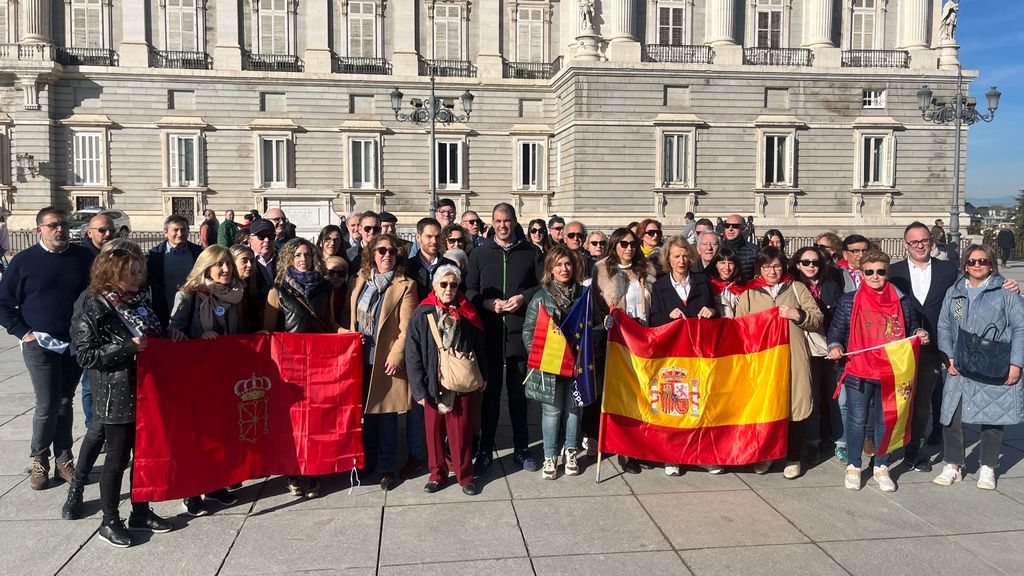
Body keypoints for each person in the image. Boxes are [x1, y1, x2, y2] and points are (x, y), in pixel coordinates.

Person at [70, 245, 173, 547]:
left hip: (146, 389)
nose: (139, 277)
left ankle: (140, 511)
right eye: (132, 272)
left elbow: (155, 334)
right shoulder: (94, 304)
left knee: (143, 455)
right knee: (117, 459)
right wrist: (128, 346)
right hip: (116, 393)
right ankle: (109, 520)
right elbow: (86, 354)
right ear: (113, 274)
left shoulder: (139, 300)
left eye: (140, 270)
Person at [0, 207, 93, 490]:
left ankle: (64, 458)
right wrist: (23, 332)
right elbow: (3, 303)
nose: (60, 230)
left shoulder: (83, 258)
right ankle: (39, 457)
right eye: (53, 225)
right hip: (39, 342)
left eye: (63, 224)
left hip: (74, 344)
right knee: (48, 402)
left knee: (65, 400)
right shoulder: (24, 261)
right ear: (39, 229)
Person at [827, 249, 926, 492]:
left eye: (880, 272)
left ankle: (881, 465)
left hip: (892, 370)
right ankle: (853, 465)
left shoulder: (902, 300)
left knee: (886, 420)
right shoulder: (849, 300)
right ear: (861, 273)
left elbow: (913, 328)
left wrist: (920, 335)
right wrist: (835, 346)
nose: (874, 276)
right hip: (860, 369)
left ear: (887, 273)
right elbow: (837, 331)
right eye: (869, 271)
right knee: (857, 420)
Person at [934, 244, 1024, 490]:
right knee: (952, 415)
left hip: (994, 362)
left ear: (991, 264)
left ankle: (988, 466)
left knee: (993, 416)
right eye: (972, 261)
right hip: (960, 363)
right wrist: (948, 356)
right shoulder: (956, 293)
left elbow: (1020, 327)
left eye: (983, 261)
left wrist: (1016, 363)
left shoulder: (1005, 292)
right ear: (965, 265)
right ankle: (953, 464)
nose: (977, 265)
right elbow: (945, 325)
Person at [465, 203, 543, 474]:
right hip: (489, 337)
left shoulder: (531, 252)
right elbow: (469, 290)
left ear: (514, 221)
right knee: (490, 396)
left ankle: (522, 448)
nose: (502, 225)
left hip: (519, 335)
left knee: (519, 396)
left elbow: (542, 286)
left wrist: (523, 297)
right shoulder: (479, 253)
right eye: (498, 221)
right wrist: (487, 304)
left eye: (507, 220)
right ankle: (486, 449)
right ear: (492, 223)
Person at [168, 245, 245, 515]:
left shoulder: (235, 294)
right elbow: (173, 332)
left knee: (221, 430)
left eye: (228, 265)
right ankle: (192, 492)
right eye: (219, 265)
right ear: (206, 267)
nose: (226, 270)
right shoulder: (188, 295)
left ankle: (215, 484)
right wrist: (197, 341)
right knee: (198, 435)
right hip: (196, 375)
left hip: (224, 374)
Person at [736, 247, 823, 479]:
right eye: (766, 267)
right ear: (759, 269)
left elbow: (816, 318)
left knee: (794, 407)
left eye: (775, 266)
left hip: (794, 357)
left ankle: (793, 457)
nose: (771, 271)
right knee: (766, 407)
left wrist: (797, 314)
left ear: (783, 266)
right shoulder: (748, 294)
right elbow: (739, 329)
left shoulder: (797, 288)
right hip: (763, 362)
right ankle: (766, 454)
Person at [264, 238, 342, 498]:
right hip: (290, 365)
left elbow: (330, 324)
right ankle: (293, 471)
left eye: (307, 254)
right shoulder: (277, 290)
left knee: (317, 419)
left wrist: (349, 336)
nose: (303, 259)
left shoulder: (324, 288)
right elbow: (270, 332)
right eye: (297, 254)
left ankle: (314, 471)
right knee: (293, 422)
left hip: (319, 363)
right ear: (289, 258)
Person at [406, 263, 486, 495]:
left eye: (453, 284)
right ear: (434, 285)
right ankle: (437, 474)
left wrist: (485, 375)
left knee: (461, 431)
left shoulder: (467, 310)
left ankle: (465, 476)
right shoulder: (423, 312)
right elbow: (413, 353)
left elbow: (480, 346)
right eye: (444, 284)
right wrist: (418, 389)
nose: (449, 289)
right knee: (433, 431)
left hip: (461, 380)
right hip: (433, 382)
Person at [888, 222, 960, 472]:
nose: (920, 245)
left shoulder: (948, 269)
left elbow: (961, 299)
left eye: (924, 240)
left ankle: (913, 451)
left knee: (921, 403)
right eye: (914, 242)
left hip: (932, 349)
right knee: (896, 401)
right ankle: (886, 447)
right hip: (899, 348)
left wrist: (1007, 285)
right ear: (905, 244)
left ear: (931, 241)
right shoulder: (892, 272)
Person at [350, 233, 418, 491]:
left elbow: (407, 326)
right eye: (381, 251)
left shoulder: (405, 285)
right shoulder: (360, 281)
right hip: (360, 357)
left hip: (386, 359)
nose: (387, 255)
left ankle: (386, 467)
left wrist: (397, 354)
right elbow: (351, 317)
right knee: (366, 413)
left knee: (388, 415)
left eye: (391, 251)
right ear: (372, 254)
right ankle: (368, 460)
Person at [649, 237, 717, 476]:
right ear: (668, 259)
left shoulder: (701, 280)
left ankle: (701, 454)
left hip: (699, 354)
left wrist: (712, 311)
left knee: (700, 404)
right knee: (675, 406)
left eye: (685, 256)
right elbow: (653, 321)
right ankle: (673, 456)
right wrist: (668, 316)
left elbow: (715, 312)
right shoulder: (659, 286)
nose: (681, 261)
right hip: (673, 356)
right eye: (676, 256)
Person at [593, 227, 656, 474]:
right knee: (620, 396)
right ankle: (624, 450)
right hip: (618, 340)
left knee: (643, 395)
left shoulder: (646, 270)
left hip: (643, 337)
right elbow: (597, 305)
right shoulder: (601, 270)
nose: (629, 248)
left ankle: (642, 445)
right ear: (615, 246)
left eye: (632, 244)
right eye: (623, 244)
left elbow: (656, 304)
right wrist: (603, 321)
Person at [522, 246, 588, 479]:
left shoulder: (584, 295)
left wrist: (590, 345)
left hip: (577, 363)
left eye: (568, 264)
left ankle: (570, 451)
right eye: (558, 264)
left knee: (573, 410)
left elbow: (595, 326)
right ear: (550, 268)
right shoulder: (541, 297)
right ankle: (550, 455)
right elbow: (529, 331)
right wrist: (541, 355)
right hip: (551, 364)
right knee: (551, 412)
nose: (564, 269)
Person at [790, 246, 843, 464]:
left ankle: (840, 441)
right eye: (806, 262)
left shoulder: (831, 286)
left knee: (836, 397)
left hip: (830, 348)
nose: (811, 266)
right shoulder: (792, 288)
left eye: (816, 262)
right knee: (810, 397)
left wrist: (836, 344)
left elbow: (840, 317)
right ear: (797, 264)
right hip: (804, 349)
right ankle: (812, 442)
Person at [146, 215, 203, 326]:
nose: (180, 234)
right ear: (166, 232)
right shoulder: (154, 257)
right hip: (164, 313)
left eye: (183, 229)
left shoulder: (199, 253)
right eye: (175, 230)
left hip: (195, 314)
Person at [705, 247, 747, 318]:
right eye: (722, 263)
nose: (727, 267)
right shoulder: (708, 286)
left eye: (730, 263)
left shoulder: (744, 287)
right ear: (716, 264)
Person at [230, 243, 261, 331]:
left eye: (252, 261)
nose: (250, 265)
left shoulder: (255, 285)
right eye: (244, 261)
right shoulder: (225, 291)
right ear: (232, 263)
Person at [247, 219, 278, 303]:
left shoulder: (283, 260)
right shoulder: (242, 260)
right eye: (261, 236)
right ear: (250, 239)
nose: (267, 240)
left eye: (271, 236)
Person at [721, 214, 758, 279]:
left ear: (743, 227)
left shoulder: (754, 250)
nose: (730, 229)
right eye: (727, 226)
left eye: (735, 226)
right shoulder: (717, 248)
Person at [325, 256, 350, 327]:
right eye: (331, 273)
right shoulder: (319, 294)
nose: (335, 276)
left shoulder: (350, 293)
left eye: (340, 273)